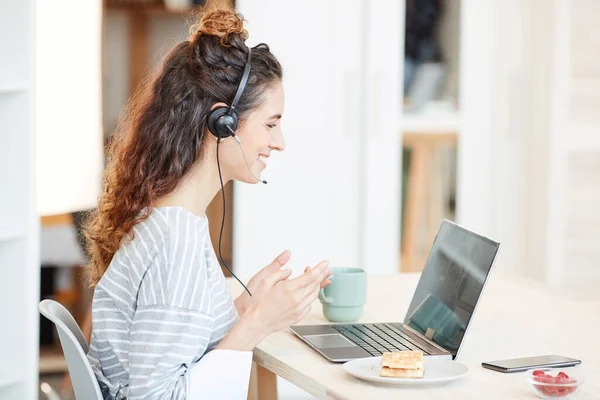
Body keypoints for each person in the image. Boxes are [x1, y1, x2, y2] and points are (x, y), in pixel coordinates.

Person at [83, 6, 331, 399]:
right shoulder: (175, 243)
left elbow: (178, 340)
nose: (279, 142)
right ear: (223, 123)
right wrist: (259, 324)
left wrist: (247, 309)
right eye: (271, 123)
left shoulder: (169, 220)